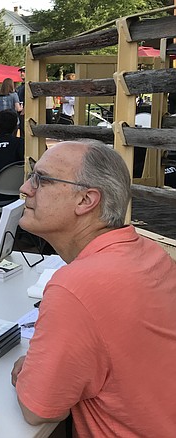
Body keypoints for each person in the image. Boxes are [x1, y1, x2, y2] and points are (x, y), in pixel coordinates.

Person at [11, 140, 176, 437]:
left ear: (86, 200)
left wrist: (32, 371)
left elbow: (38, 409)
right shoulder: (151, 254)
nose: (25, 188)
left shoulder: (75, 287)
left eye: (41, 179)